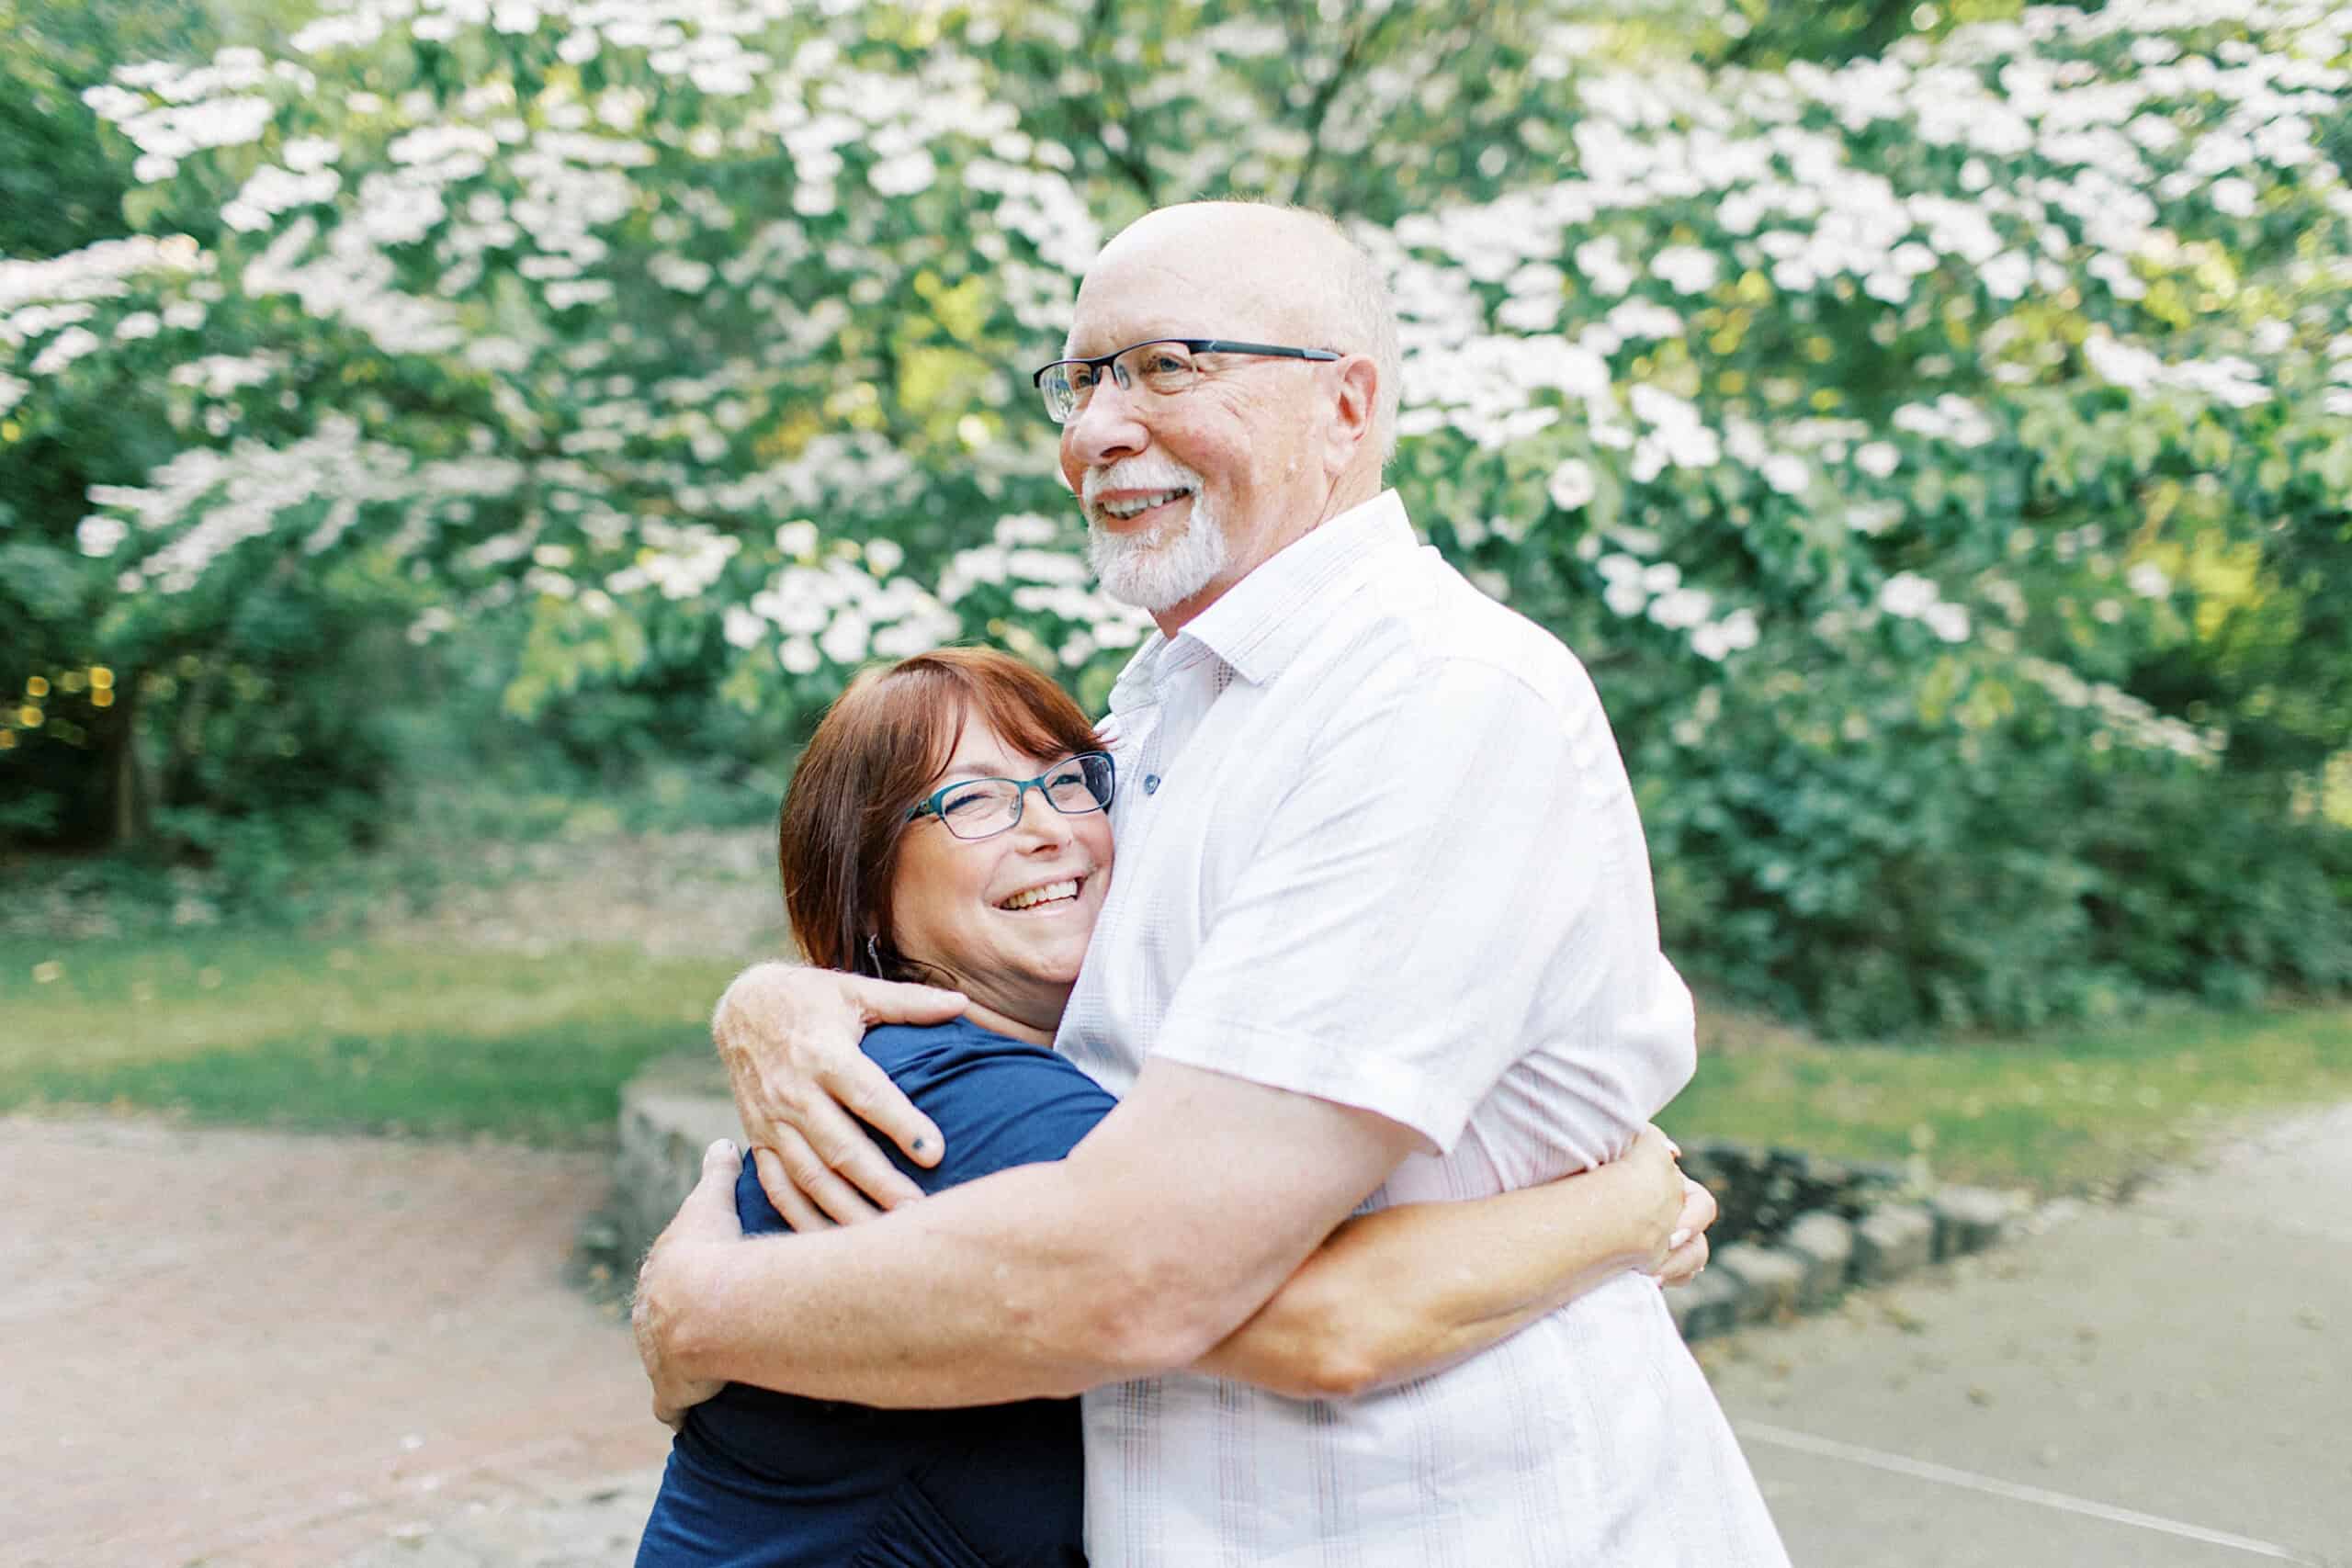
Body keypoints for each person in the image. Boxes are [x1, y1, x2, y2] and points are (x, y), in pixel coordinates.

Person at [637, 200, 1791, 1563]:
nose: (1096, 428)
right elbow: (998, 975)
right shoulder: (1148, 732)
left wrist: (709, 1307)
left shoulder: (1431, 695)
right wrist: (774, 998)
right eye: (1079, 379)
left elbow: (1152, 1269)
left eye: (1168, 363)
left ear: (1345, 405)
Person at [634, 645, 1716, 1566]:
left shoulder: (1037, 1075)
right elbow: (1319, 1311)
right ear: (865, 883)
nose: (1049, 828)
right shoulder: (952, 1102)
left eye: (1067, 783)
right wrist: (1626, 1206)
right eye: (969, 801)